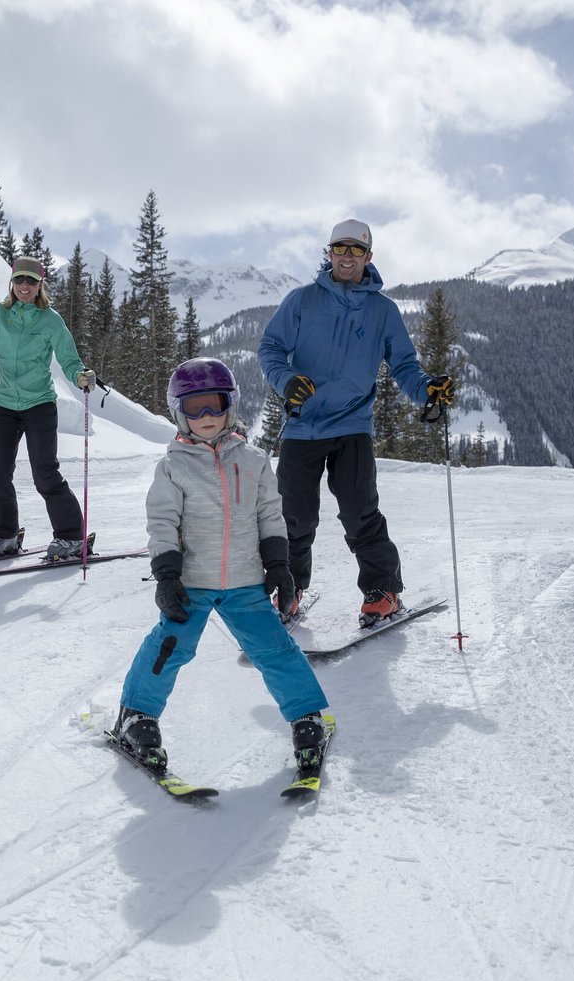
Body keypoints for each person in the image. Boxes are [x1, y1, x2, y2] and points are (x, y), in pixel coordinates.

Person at [112, 358, 332, 782]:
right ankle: (136, 716)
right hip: (192, 582)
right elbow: (162, 522)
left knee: (275, 649)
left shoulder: (254, 460)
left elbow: (270, 514)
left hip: (246, 581)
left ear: (231, 404)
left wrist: (279, 564)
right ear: (179, 412)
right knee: (169, 647)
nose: (207, 415)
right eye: (195, 407)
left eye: (215, 403)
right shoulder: (173, 466)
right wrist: (166, 575)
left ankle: (306, 716)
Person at [258, 219, 453, 626]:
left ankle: (383, 590)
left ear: (369, 255)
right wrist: (286, 380)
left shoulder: (383, 311)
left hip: (352, 426)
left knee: (360, 510)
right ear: (329, 253)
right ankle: (288, 588)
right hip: (302, 425)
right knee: (293, 515)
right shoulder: (303, 300)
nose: (347, 257)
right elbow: (271, 347)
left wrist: (427, 390)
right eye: (339, 248)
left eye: (356, 249)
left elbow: (404, 365)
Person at [0, 255, 95, 560]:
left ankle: (72, 536)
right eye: (19, 279)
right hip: (4, 406)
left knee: (45, 473)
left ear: (40, 284)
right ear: (12, 282)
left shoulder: (50, 320)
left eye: (31, 281)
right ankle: (4, 534)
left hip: (40, 405)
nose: (25, 286)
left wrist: (80, 375)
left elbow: (69, 359)